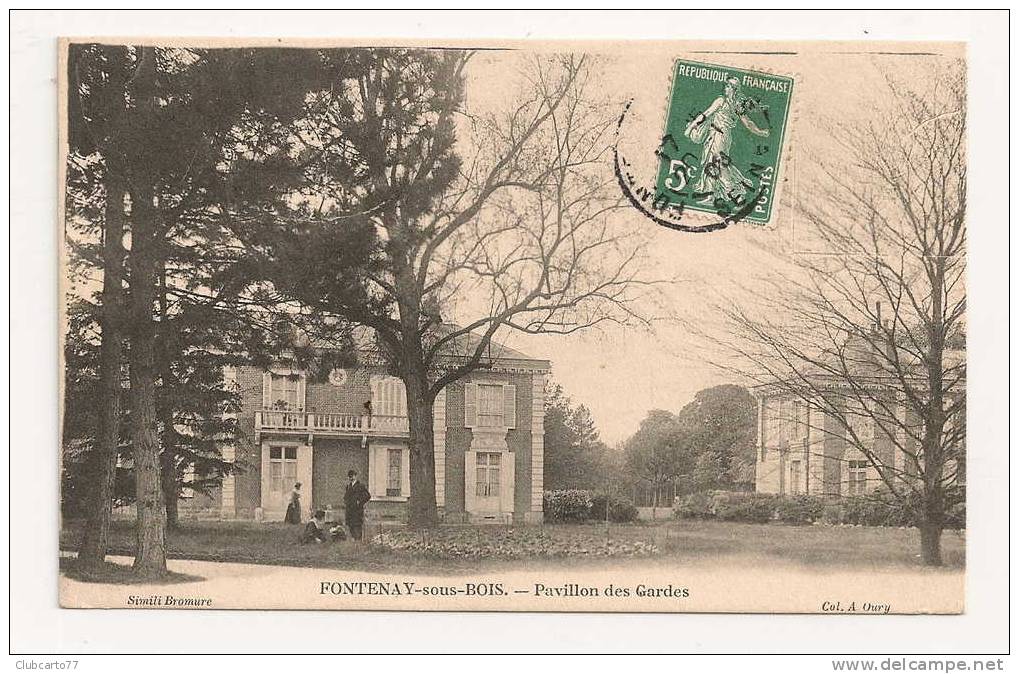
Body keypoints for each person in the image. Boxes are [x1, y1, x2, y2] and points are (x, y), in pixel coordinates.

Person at [683, 76, 770, 204]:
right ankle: (712, 193)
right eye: (726, 86)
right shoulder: (730, 104)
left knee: (718, 164)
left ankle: (734, 192)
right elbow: (706, 114)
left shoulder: (727, 103)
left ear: (734, 90)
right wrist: (760, 132)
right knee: (712, 163)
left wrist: (691, 127)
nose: (726, 88)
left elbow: (706, 114)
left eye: (728, 86)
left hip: (720, 137)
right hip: (717, 136)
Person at [344, 469, 371, 541]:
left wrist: (360, 502)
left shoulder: (360, 486)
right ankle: (354, 541)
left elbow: (368, 496)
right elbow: (346, 497)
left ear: (355, 476)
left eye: (352, 476)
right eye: (349, 476)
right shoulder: (348, 486)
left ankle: (358, 541)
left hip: (357, 510)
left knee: (357, 526)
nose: (351, 478)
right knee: (351, 526)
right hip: (349, 510)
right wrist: (346, 502)